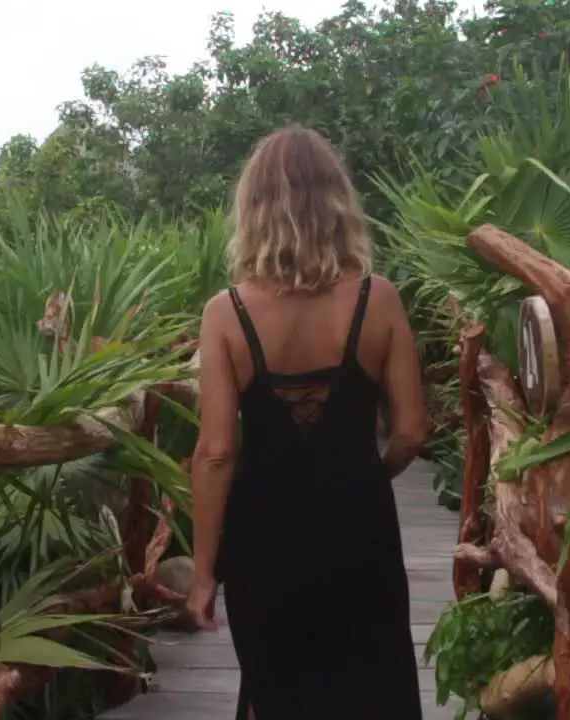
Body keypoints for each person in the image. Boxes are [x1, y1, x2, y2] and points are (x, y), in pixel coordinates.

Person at [186, 125, 429, 720]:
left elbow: (216, 453)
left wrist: (201, 573)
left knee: (279, 692)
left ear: (254, 209)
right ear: (337, 203)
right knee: (374, 689)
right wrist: (366, 475)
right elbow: (411, 433)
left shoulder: (226, 314)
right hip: (360, 528)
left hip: (264, 542)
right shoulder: (381, 299)